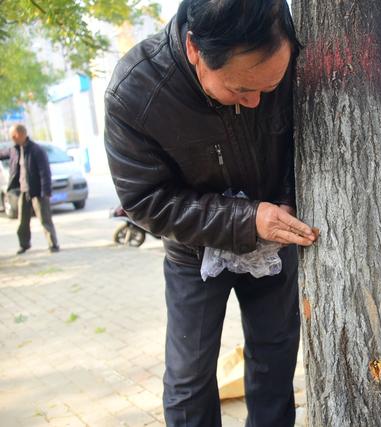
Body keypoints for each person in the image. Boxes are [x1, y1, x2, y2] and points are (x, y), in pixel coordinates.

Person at [103, 1, 316, 426]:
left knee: (275, 364)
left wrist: (289, 198)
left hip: (277, 240)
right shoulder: (135, 93)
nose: (256, 102)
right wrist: (246, 219)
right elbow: (146, 200)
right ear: (195, 50)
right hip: (195, 251)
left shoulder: (288, 54)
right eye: (241, 90)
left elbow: (303, 136)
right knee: (189, 378)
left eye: (268, 89)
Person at [0, 124, 60, 254]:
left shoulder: (36, 150)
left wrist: (46, 191)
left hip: (38, 191)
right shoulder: (15, 150)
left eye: (13, 136)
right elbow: (2, 154)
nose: (12, 139)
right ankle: (24, 244)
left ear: (20, 134)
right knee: (22, 221)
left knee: (45, 219)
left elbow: (45, 172)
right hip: (23, 191)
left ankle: (53, 244)